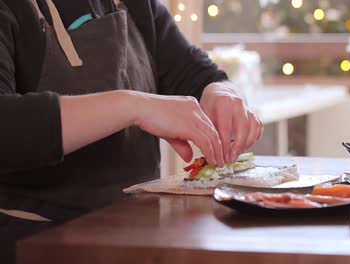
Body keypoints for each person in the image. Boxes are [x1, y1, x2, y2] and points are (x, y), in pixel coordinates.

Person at [0, 0, 263, 263]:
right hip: (36, 244)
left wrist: (221, 91)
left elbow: (197, 74)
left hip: (139, 239)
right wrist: (134, 106)